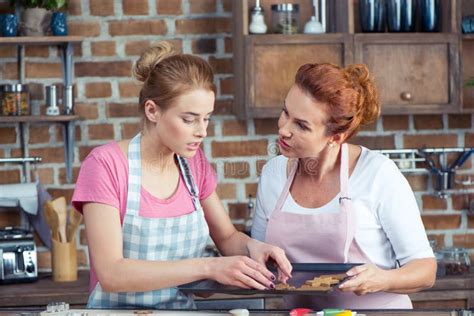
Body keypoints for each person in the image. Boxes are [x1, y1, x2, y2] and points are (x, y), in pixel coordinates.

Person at [72, 42, 292, 309]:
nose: (202, 131)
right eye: (189, 119)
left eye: (206, 118)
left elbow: (226, 238)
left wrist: (253, 248)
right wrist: (208, 267)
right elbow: (111, 274)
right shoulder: (106, 165)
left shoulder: (193, 164)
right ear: (152, 110)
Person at [251, 63, 436, 309]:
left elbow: (425, 270)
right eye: (285, 112)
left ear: (336, 137)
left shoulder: (377, 174)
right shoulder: (273, 174)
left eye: (301, 125)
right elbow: (260, 258)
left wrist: (382, 279)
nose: (283, 129)